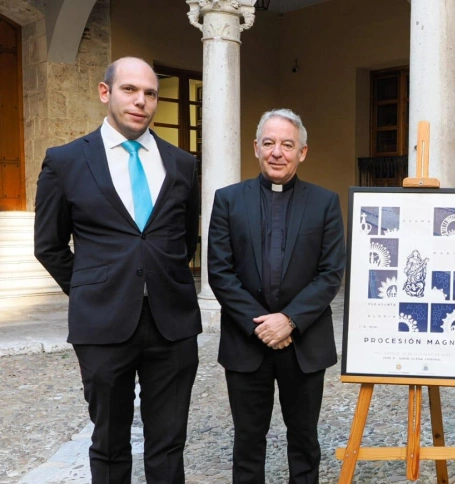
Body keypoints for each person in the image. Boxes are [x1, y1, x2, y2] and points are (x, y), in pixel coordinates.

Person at [34, 57, 201, 484]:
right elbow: (49, 246)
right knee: (109, 444)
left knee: (168, 444)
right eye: (130, 90)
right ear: (105, 92)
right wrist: (93, 290)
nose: (141, 101)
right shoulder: (66, 161)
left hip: (173, 323)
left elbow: (185, 236)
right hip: (102, 326)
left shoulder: (182, 163)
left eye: (150, 93)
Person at [208, 108, 345, 484]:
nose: (277, 152)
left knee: (304, 440)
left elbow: (330, 273)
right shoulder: (228, 200)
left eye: (287, 144)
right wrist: (261, 325)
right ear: (256, 148)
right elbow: (220, 272)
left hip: (304, 342)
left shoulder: (325, 203)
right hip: (245, 341)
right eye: (269, 143)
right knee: (248, 441)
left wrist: (289, 320)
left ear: (302, 152)